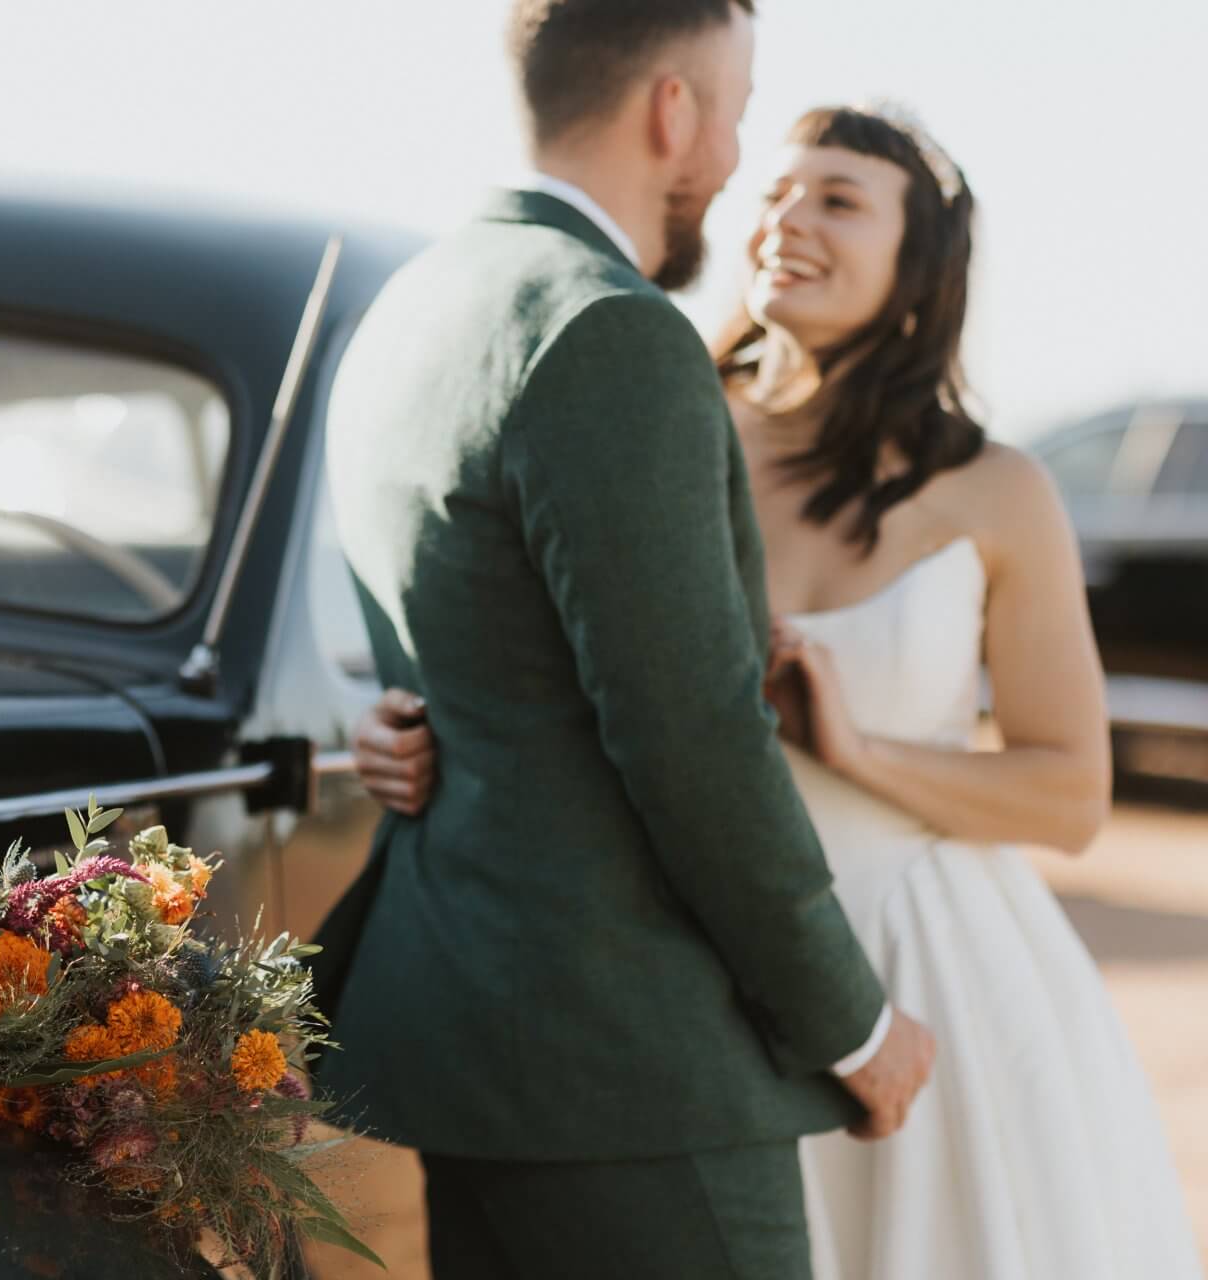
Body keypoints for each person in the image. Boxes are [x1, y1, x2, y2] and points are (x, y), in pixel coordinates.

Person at [355, 101, 1203, 1279]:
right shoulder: (657, 417)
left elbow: (1070, 795)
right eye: (779, 192)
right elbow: (539, 650)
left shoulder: (998, 490)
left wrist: (859, 750)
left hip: (923, 965)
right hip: (684, 973)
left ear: (920, 271)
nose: (787, 219)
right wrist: (401, 723)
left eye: (840, 199)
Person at [316, 3, 934, 1276]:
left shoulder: (412, 306)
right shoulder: (612, 329)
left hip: (467, 1034)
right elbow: (692, 734)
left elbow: (456, 649)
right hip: (624, 1064)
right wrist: (853, 1022)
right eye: (740, 103)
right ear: (673, 109)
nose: (733, 147)